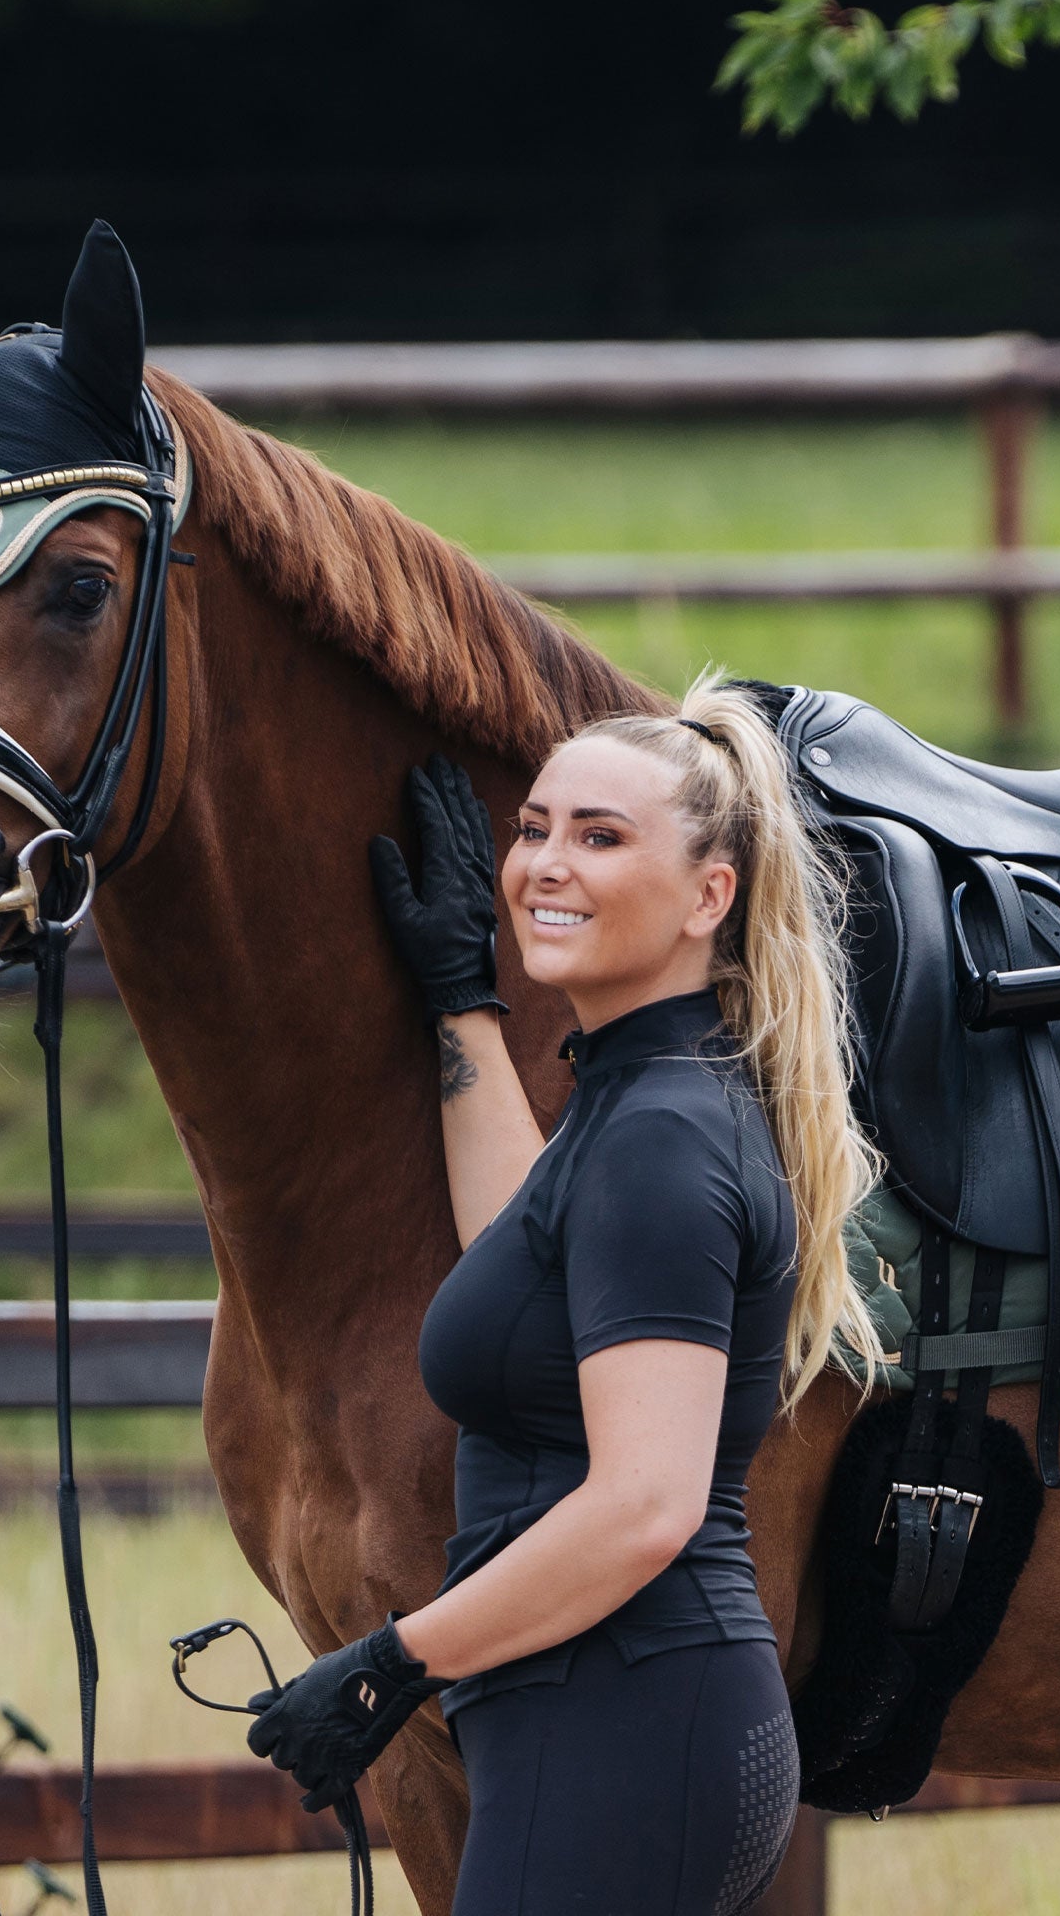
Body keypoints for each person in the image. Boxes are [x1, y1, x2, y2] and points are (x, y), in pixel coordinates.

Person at [245, 676, 886, 1915]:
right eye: (533, 826)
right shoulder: (633, 1098)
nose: (544, 862)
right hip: (610, 1719)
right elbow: (518, 1249)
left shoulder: (662, 1137)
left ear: (711, 895)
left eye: (600, 836)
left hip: (627, 1721)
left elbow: (645, 1503)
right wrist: (460, 998)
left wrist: (390, 1661)